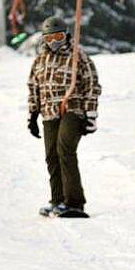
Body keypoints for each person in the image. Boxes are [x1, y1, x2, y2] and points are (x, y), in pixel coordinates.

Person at [27, 16, 101, 218]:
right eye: (49, 38)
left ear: (66, 35)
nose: (54, 42)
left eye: (58, 36)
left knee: (65, 149)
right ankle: (58, 200)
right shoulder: (40, 60)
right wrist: (32, 115)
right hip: (49, 112)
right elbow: (34, 86)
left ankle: (75, 203)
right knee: (52, 155)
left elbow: (92, 84)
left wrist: (90, 114)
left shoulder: (77, 55)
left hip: (73, 108)